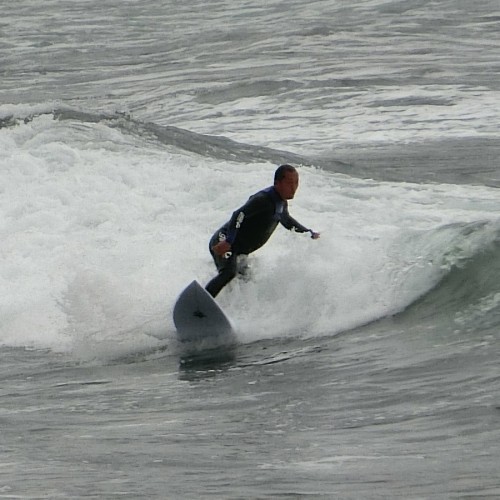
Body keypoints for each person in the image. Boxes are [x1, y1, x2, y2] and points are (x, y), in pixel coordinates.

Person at [205, 164, 320, 298]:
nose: (294, 187)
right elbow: (238, 214)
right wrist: (228, 241)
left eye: (296, 183)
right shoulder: (263, 199)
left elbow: (288, 222)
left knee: (245, 281)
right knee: (229, 273)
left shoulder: (281, 203)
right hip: (224, 240)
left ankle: (228, 308)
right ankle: (199, 305)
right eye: (289, 183)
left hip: (238, 250)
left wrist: (309, 233)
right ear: (277, 183)